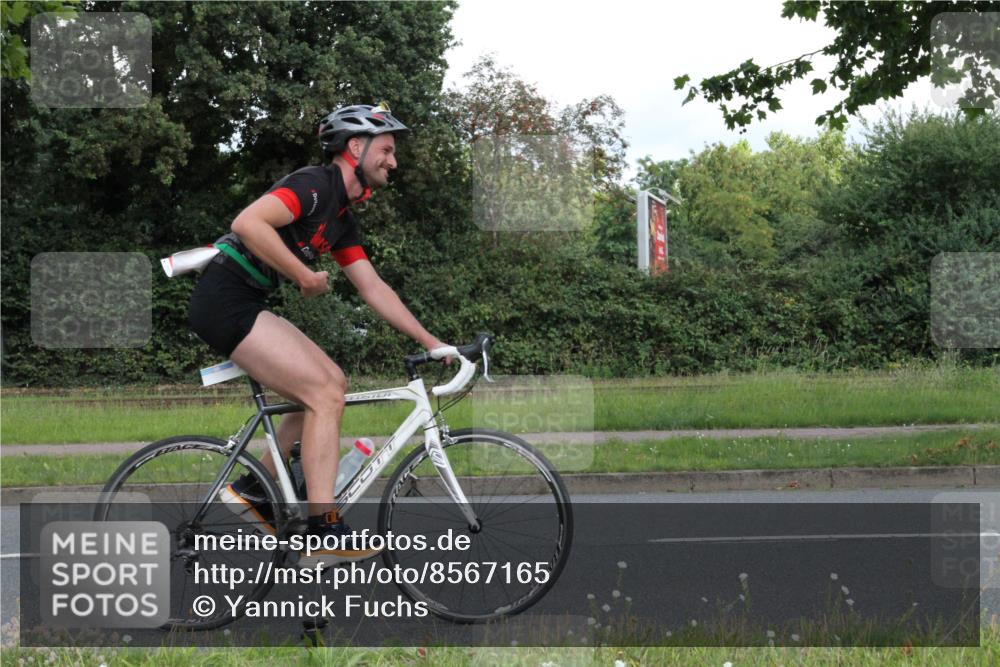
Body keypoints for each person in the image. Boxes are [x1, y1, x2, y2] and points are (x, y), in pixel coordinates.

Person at [187, 103, 450, 568]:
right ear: (355, 147)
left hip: (246, 303)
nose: (394, 161)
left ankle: (254, 491)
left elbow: (372, 287)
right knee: (325, 391)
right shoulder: (314, 186)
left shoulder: (342, 216)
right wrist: (305, 276)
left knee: (331, 382)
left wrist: (432, 342)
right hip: (224, 301)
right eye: (387, 150)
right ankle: (323, 529)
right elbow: (248, 223)